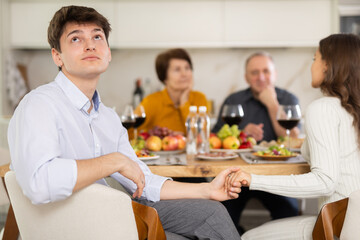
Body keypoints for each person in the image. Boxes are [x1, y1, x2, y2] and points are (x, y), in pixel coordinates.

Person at [7, 6, 242, 240]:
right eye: (76, 38)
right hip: (69, 224)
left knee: (212, 213)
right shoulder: (39, 105)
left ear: (108, 52)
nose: (90, 45)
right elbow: (39, 183)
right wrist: (112, 162)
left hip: (111, 213)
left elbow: (142, 181)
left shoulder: (107, 118)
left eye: (97, 37)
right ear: (57, 56)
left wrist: (207, 189)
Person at [227, 33, 360, 239]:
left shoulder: (323, 108)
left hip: (336, 224)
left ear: (327, 65)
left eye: (315, 59)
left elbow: (325, 181)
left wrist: (252, 179)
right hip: (353, 219)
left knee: (246, 237)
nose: (311, 65)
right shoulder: (352, 108)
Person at [213, 52, 300, 234]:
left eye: (266, 71)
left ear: (275, 74)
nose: (261, 77)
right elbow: (215, 140)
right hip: (236, 175)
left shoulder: (288, 100)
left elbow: (293, 139)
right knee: (220, 216)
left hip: (276, 177)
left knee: (290, 215)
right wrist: (241, 134)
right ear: (246, 77)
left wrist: (272, 105)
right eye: (254, 72)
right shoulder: (234, 101)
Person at [136, 48, 208, 134]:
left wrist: (184, 103)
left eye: (187, 68)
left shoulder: (199, 98)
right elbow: (128, 133)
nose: (184, 74)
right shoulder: (151, 102)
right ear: (164, 77)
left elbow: (202, 135)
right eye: (177, 69)